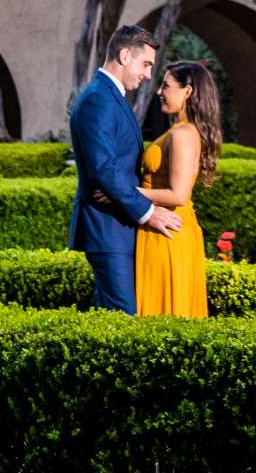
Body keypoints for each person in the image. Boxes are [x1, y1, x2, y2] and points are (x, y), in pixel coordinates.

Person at [68, 24, 181, 315]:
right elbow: (104, 169)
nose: (147, 74)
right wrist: (148, 210)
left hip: (119, 227)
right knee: (123, 319)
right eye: (145, 64)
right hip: (107, 229)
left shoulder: (110, 97)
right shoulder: (98, 99)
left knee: (114, 320)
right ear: (124, 55)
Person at [135, 59, 220, 318]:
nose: (160, 91)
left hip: (168, 231)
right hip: (162, 228)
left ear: (188, 91)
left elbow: (178, 194)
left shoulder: (183, 134)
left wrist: (128, 194)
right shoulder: (180, 130)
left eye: (166, 86)